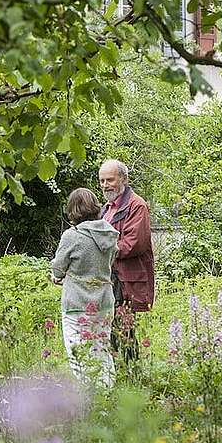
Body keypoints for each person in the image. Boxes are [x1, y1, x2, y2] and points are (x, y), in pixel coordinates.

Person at [50, 188, 119, 387]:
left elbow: (58, 266)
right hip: (105, 302)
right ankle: (106, 394)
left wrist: (56, 277)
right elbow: (111, 260)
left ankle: (87, 397)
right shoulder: (109, 232)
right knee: (102, 349)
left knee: (78, 352)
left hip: (77, 304)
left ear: (72, 210)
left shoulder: (72, 235)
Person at [98, 159, 155, 362]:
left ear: (124, 179)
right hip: (109, 277)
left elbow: (133, 244)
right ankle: (115, 374)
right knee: (110, 327)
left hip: (126, 278)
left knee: (124, 328)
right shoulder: (107, 208)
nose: (105, 185)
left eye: (110, 180)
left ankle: (131, 376)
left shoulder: (136, 206)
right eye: (102, 180)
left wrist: (101, 251)